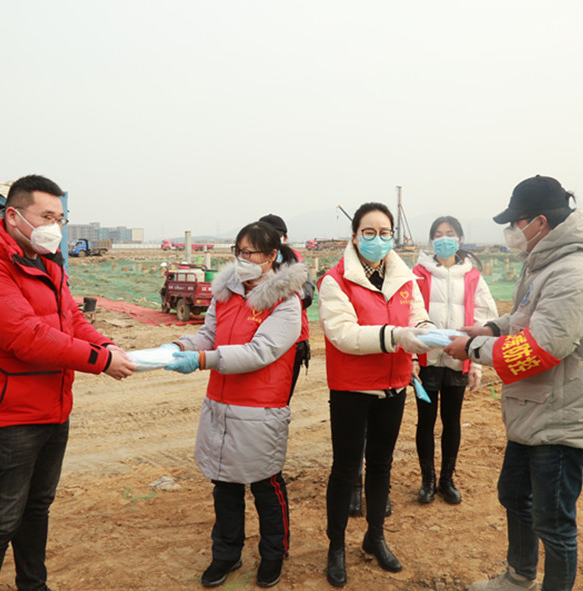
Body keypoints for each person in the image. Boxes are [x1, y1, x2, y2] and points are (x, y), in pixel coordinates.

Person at [0, 174, 136, 591]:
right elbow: (26, 337)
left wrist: (105, 343)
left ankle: (33, 586)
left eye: (60, 218)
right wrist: (101, 361)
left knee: (37, 508)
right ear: (13, 215)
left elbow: (69, 317)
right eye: (46, 216)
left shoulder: (46, 260)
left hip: (52, 408)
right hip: (8, 418)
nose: (55, 227)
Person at [443, 175, 583, 591]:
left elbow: (540, 348)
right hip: (537, 410)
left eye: (515, 222)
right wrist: (489, 328)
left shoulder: (573, 272)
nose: (511, 231)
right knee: (514, 494)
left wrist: (471, 349)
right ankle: (519, 577)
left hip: (562, 417)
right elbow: (524, 318)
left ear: (540, 222)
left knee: (553, 520)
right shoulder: (545, 263)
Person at [161, 221, 308, 588]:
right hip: (221, 403)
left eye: (250, 253)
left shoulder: (286, 303)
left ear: (271, 256)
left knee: (265, 485)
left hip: (260, 408)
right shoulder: (225, 293)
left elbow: (259, 352)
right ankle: (226, 554)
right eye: (238, 252)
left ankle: (273, 553)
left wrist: (202, 360)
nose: (242, 259)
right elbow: (208, 334)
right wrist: (180, 346)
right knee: (224, 486)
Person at [317, 202, 435, 587]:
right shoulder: (335, 280)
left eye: (385, 233)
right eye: (369, 232)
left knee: (382, 464)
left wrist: (425, 330)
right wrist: (397, 336)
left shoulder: (404, 278)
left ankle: (375, 536)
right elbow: (343, 334)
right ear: (355, 236)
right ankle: (336, 546)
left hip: (394, 385)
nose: (378, 239)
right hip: (352, 388)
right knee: (345, 469)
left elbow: (417, 315)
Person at [412, 216, 498, 505]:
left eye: (449, 233)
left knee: (452, 420)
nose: (444, 239)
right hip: (426, 359)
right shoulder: (418, 274)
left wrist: (475, 360)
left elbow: (485, 319)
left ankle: (447, 480)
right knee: (425, 421)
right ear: (431, 240)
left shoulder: (472, 277)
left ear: (460, 239)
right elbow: (407, 316)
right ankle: (427, 480)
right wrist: (412, 356)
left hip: (458, 358)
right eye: (438, 234)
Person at [258, 213, 315, 399]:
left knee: (281, 398)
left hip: (294, 341)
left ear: (285, 238)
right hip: (259, 339)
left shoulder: (296, 261)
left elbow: (307, 296)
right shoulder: (253, 261)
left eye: (275, 236)